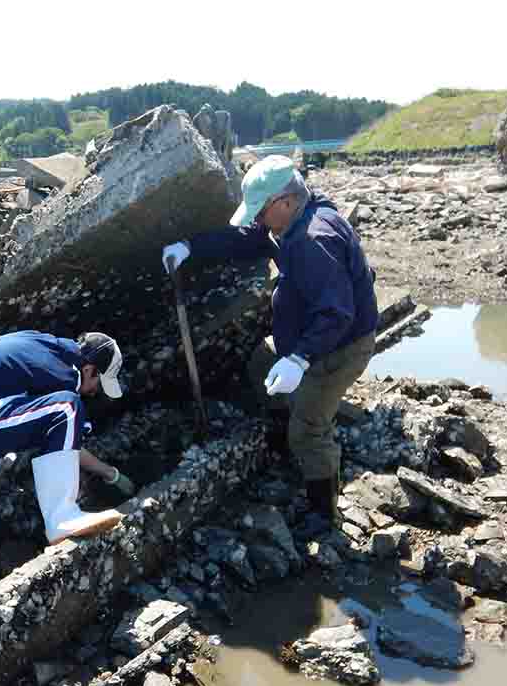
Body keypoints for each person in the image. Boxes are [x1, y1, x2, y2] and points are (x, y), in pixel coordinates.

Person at [162, 155, 378, 520]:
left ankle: (324, 514)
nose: (258, 220)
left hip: (338, 346)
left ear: (286, 201)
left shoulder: (313, 238)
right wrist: (192, 247)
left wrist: (299, 359)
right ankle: (284, 439)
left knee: (310, 429)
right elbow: (247, 238)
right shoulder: (293, 220)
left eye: (261, 211)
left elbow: (337, 313)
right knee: (261, 364)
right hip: (311, 337)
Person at [0, 330, 136, 545]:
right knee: (66, 408)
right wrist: (111, 474)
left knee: (31, 414)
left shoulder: (42, 344)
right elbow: (67, 437)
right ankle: (62, 518)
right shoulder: (64, 376)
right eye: (98, 384)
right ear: (89, 369)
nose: (93, 391)